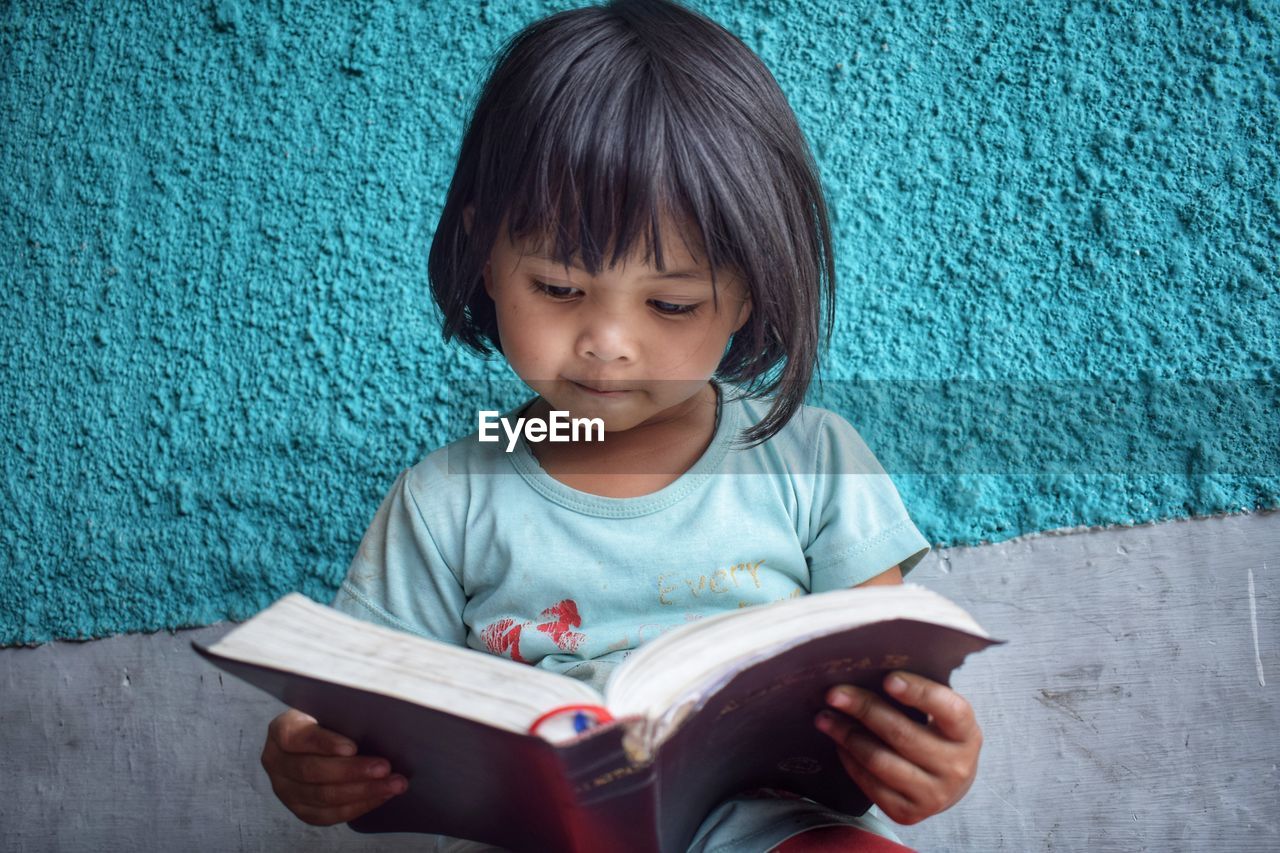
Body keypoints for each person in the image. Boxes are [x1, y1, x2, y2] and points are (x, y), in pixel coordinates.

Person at [259, 1, 982, 850]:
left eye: (671, 302)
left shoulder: (813, 459)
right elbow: (350, 710)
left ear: (748, 293)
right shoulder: (445, 499)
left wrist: (927, 760)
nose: (608, 344)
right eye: (560, 289)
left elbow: (885, 698)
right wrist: (307, 759)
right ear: (486, 257)